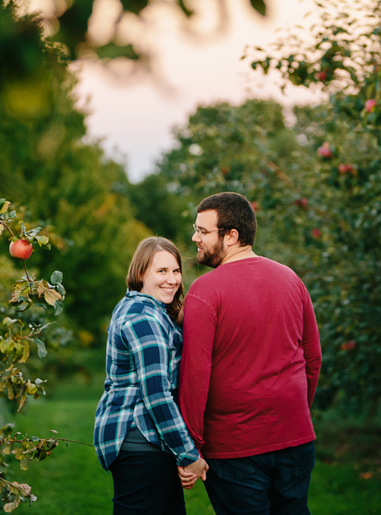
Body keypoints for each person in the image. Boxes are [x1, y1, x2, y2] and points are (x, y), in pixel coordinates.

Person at [178, 192, 322, 515]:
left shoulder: (205, 291)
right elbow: (313, 358)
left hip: (235, 448)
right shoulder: (292, 279)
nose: (194, 238)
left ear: (231, 236)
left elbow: (195, 376)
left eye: (203, 231)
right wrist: (295, 412)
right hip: (296, 440)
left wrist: (190, 448)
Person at [94, 237, 209, 514]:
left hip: (150, 441)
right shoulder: (143, 318)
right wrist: (188, 454)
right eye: (161, 271)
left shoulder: (145, 309)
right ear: (141, 273)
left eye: (176, 271)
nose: (172, 280)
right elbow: (156, 394)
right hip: (140, 442)